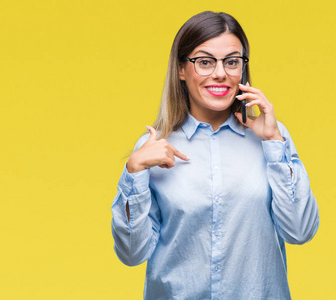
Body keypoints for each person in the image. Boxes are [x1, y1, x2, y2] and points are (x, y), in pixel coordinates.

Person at [111, 11, 319, 300]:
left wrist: (274, 141)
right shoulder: (152, 148)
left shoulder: (271, 138)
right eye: (205, 62)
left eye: (232, 61)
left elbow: (300, 231)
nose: (220, 73)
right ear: (181, 69)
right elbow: (132, 254)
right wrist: (134, 171)